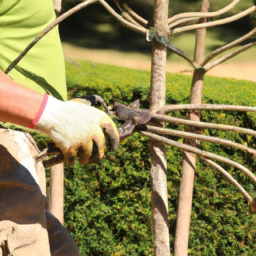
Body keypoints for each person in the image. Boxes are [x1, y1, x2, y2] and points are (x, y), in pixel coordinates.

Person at [0, 0, 119, 255]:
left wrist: (60, 109)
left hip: (16, 158)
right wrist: (55, 116)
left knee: (62, 249)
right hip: (4, 154)